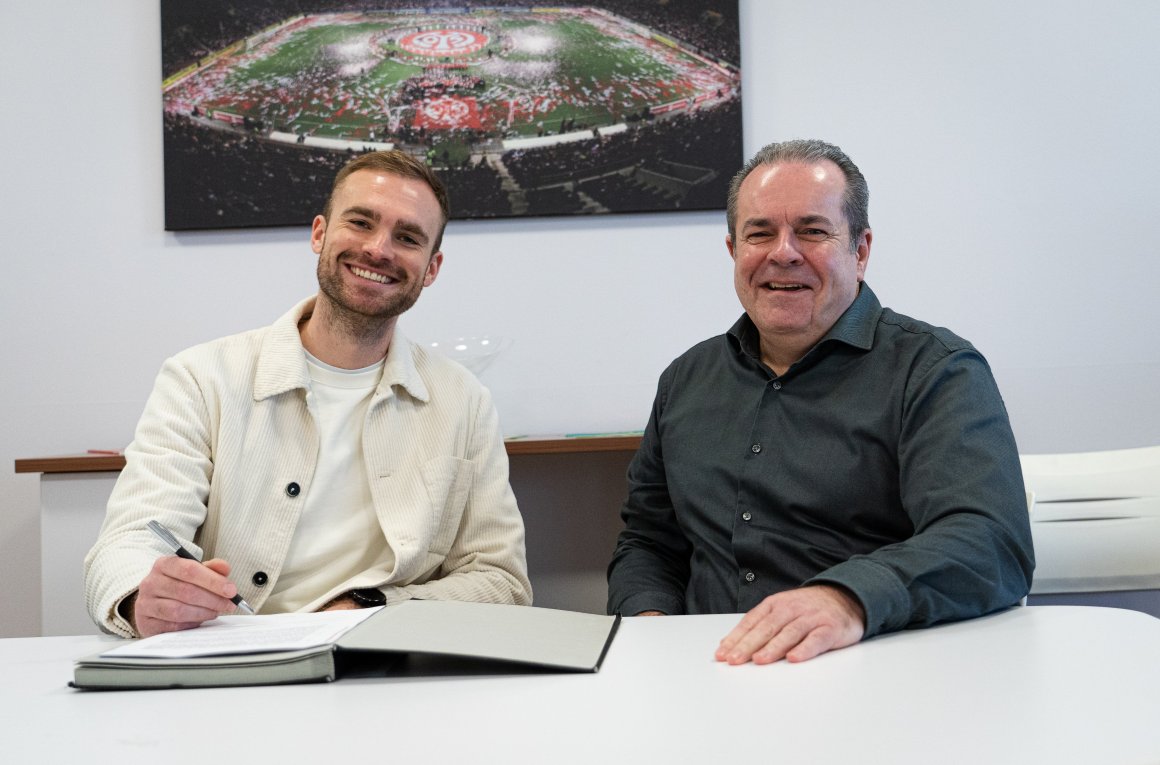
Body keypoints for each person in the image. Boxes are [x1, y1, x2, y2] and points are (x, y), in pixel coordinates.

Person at [607, 139, 1034, 665]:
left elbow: (988, 542)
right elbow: (650, 541)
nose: (782, 252)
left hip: (875, 669)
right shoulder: (684, 380)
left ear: (860, 250)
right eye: (759, 233)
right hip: (707, 674)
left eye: (812, 231)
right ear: (734, 252)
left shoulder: (935, 370)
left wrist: (846, 598)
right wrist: (648, 623)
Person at [85, 150, 532, 639]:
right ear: (319, 234)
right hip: (226, 663)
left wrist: (369, 605)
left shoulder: (463, 400)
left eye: (407, 238)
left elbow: (501, 581)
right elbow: (126, 544)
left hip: (387, 663)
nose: (379, 249)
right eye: (360, 222)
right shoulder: (201, 377)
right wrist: (139, 600)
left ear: (431, 268)